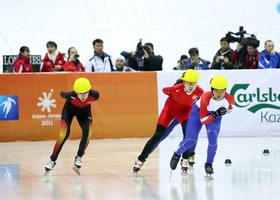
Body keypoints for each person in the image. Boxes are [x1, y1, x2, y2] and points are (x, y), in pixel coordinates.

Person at [132, 69, 204, 173]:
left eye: (194, 84)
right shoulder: (175, 89)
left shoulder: (200, 91)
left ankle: (185, 159)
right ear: (184, 82)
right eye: (189, 84)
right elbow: (164, 90)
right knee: (157, 135)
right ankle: (140, 159)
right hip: (169, 111)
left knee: (188, 134)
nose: (192, 86)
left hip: (184, 112)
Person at [169, 75, 234, 176]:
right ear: (211, 89)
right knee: (191, 140)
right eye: (216, 91)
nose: (219, 94)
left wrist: (224, 112)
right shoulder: (205, 98)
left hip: (214, 116)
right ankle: (177, 153)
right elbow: (203, 120)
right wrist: (215, 114)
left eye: (222, 91)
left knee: (213, 138)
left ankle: (209, 164)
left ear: (225, 90)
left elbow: (230, 109)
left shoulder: (229, 99)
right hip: (198, 114)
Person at [44, 77, 100, 174]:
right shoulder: (69, 95)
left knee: (88, 131)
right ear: (75, 92)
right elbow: (63, 94)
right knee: (63, 134)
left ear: (89, 91)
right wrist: (62, 93)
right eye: (80, 94)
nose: (83, 97)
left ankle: (79, 157)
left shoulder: (95, 95)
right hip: (69, 111)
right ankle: (52, 160)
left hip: (84, 112)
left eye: (85, 93)